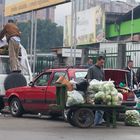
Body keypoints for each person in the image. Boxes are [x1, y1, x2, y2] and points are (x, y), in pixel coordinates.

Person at [87, 56, 105, 126]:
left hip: (100, 92)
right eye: (101, 62)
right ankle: (89, 122)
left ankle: (97, 122)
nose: (102, 64)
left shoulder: (102, 70)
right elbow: (89, 80)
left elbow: (103, 81)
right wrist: (94, 85)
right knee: (91, 108)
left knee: (100, 108)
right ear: (97, 61)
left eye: (103, 62)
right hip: (92, 92)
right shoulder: (91, 69)